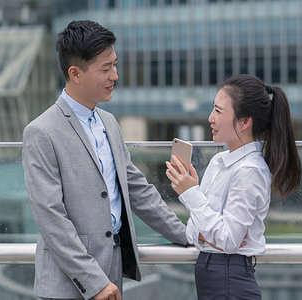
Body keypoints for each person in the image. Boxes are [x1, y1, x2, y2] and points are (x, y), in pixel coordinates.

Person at [22, 20, 187, 300]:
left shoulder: (109, 123)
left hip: (111, 278)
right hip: (66, 286)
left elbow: (137, 189)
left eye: (115, 64)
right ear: (75, 73)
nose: (116, 75)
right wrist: (93, 280)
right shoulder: (41, 132)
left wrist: (187, 235)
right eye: (106, 68)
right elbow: (50, 217)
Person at [166, 74, 302, 299]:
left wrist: (191, 193)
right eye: (213, 109)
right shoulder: (219, 161)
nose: (210, 118)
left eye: (218, 111)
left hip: (229, 280)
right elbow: (193, 231)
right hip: (217, 276)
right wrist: (212, 234)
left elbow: (228, 240)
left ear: (244, 122)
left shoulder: (250, 170)